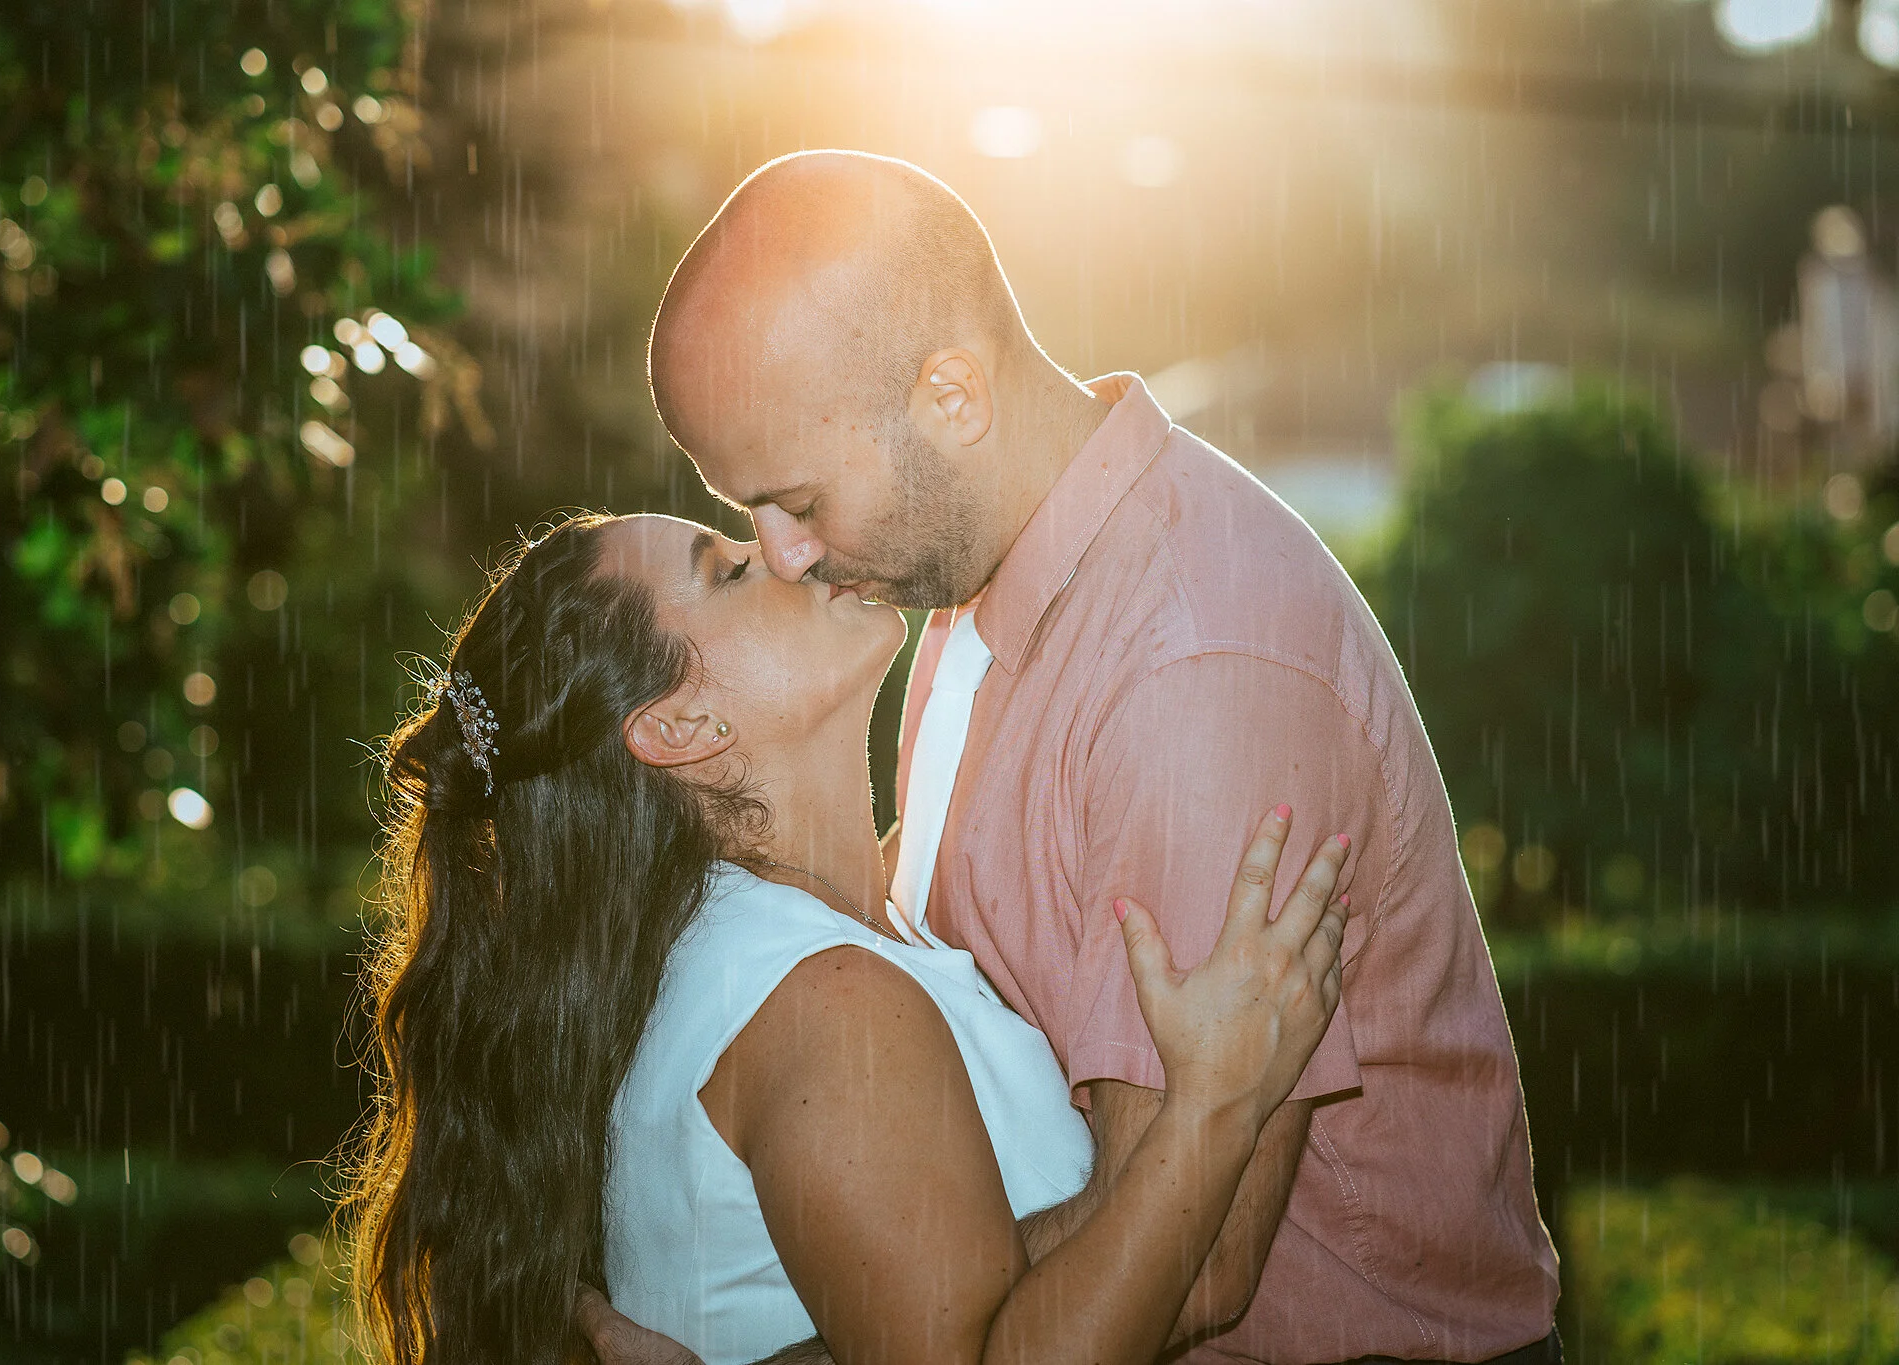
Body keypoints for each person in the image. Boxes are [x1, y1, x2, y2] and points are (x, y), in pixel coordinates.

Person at [600, 150, 1563, 1364]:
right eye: (747, 513)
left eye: (794, 499)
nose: (783, 555)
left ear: (951, 398)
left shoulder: (1188, 674)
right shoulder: (961, 590)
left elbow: (1197, 1263)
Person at [343, 511, 1354, 1365]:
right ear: (682, 728)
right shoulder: (818, 999)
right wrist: (1213, 1107)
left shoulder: (787, 950)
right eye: (733, 570)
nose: (788, 549)